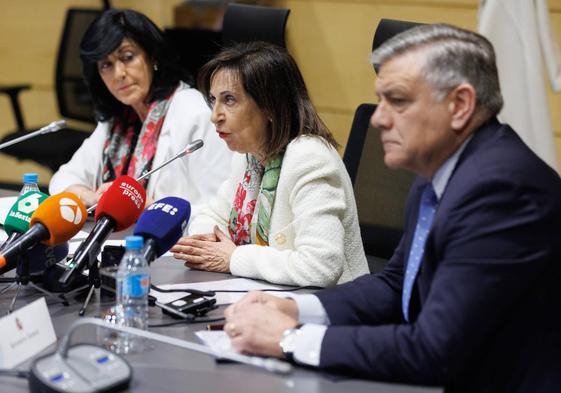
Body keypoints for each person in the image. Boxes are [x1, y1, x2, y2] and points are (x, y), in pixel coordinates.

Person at [222, 24, 561, 392]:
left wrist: (290, 339)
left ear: (460, 105)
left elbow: (435, 350)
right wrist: (293, 308)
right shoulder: (439, 174)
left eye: (397, 101)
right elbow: (396, 284)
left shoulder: (502, 189)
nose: (379, 118)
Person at [171, 42, 369, 287]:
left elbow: (321, 266)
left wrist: (233, 257)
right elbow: (210, 216)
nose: (215, 116)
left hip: (330, 309)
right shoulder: (250, 156)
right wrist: (213, 245)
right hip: (268, 297)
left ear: (270, 107)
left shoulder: (309, 158)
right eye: (214, 100)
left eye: (229, 100)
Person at [49, 9, 232, 209]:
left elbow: (219, 209)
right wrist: (91, 197)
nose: (119, 73)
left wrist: (152, 208)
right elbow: (63, 178)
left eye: (128, 57)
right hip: (120, 237)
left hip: (174, 238)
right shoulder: (118, 120)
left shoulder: (195, 113)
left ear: (152, 57)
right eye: (106, 65)